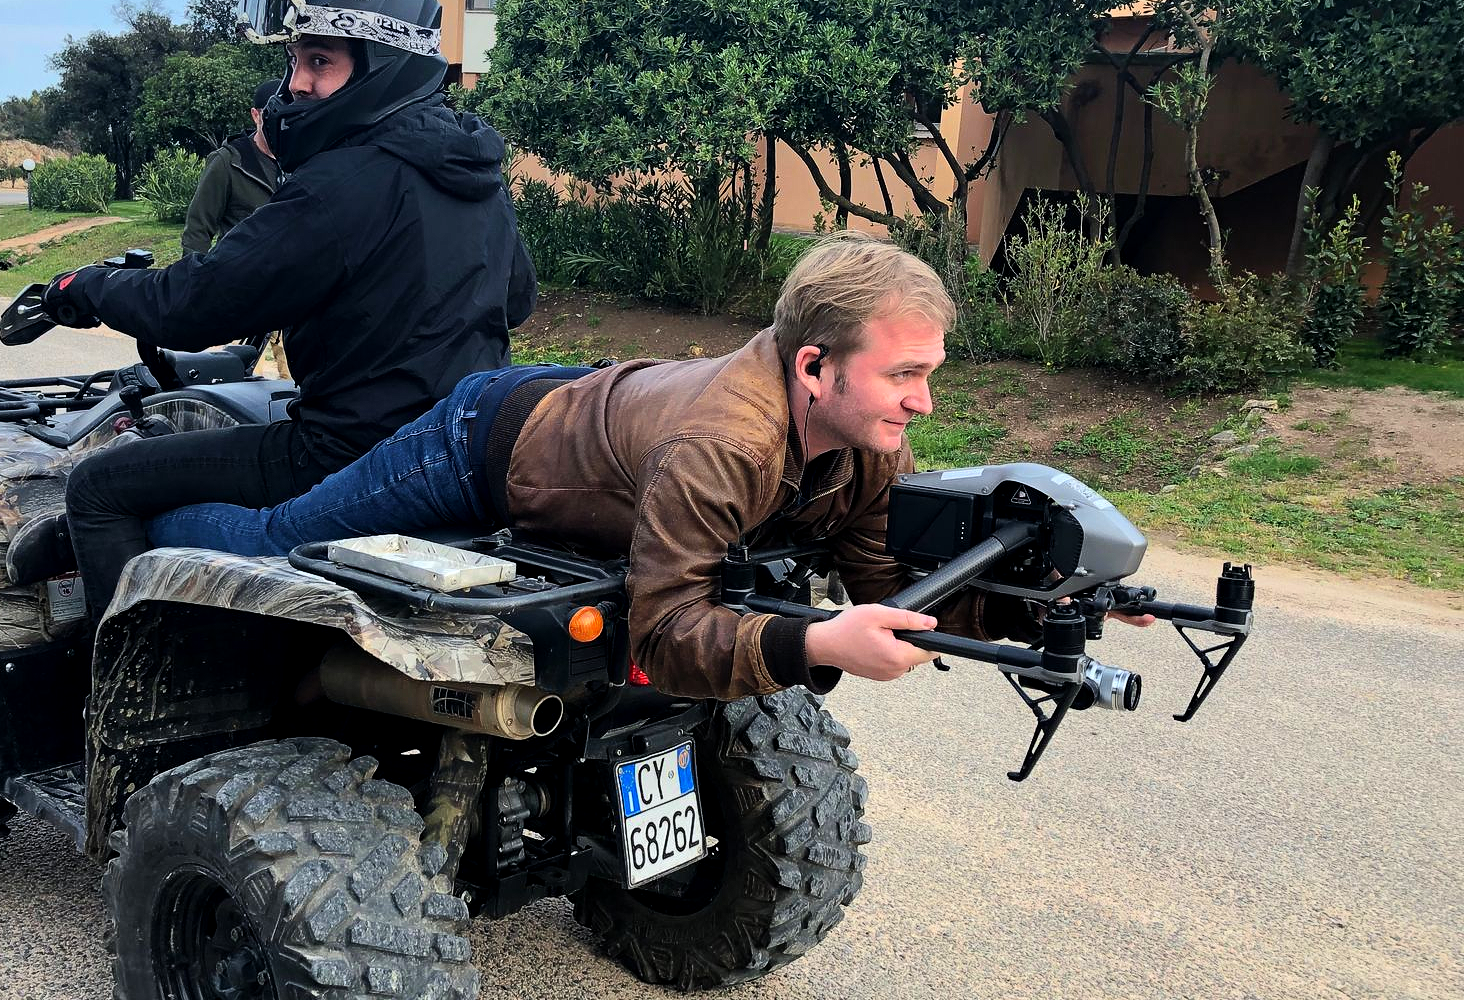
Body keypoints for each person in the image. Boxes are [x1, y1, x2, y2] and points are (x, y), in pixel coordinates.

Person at [144, 234, 1140, 700]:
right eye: (905, 375)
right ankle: (149, 533)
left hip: (608, 418)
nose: (923, 403)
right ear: (813, 366)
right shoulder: (727, 445)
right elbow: (664, 635)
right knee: (285, 546)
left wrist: (1048, 607)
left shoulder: (864, 441)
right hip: (485, 440)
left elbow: (888, 587)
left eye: (930, 374)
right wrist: (820, 644)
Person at [10, 0, 538, 609]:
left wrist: (88, 287)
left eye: (320, 61)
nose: (297, 84)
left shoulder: (341, 184)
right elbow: (516, 299)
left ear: (384, 65)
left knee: (99, 486)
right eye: (294, 60)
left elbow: (193, 306)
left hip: (346, 452)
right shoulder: (472, 170)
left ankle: (118, 671)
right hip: (452, 450)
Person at [178, 77, 282, 255]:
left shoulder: (302, 161)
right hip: (239, 269)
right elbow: (197, 230)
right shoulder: (227, 162)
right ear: (255, 115)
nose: (279, 123)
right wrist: (194, 271)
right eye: (272, 114)